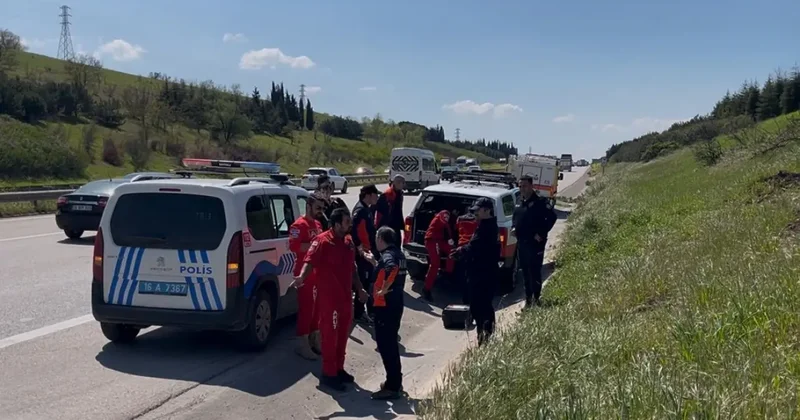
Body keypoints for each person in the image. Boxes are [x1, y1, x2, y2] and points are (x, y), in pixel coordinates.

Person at [294, 208, 368, 391]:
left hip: (345, 299)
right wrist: (302, 277)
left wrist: (360, 289)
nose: (349, 225)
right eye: (346, 222)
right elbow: (309, 262)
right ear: (336, 225)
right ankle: (328, 374)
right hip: (329, 300)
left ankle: (339, 369)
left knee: (343, 336)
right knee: (329, 337)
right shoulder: (322, 241)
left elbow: (353, 269)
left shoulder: (348, 242)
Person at [451, 197, 500, 346]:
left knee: (481, 308)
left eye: (478, 210)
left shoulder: (487, 228)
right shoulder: (484, 225)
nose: (475, 214)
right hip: (482, 273)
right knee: (482, 307)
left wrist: (460, 251)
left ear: (487, 210)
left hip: (483, 275)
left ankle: (485, 340)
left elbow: (475, 248)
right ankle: (485, 338)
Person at [370, 226, 407, 400]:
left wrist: (384, 289)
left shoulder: (388, 256)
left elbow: (391, 269)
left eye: (376, 238)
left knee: (386, 345)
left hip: (386, 305)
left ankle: (392, 387)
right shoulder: (398, 253)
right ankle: (395, 382)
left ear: (380, 239)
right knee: (391, 343)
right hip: (396, 302)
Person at [289, 194, 325, 360]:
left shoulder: (318, 224)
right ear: (308, 206)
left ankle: (314, 337)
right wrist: (315, 245)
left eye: (322, 208)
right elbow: (294, 246)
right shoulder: (298, 225)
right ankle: (301, 342)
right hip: (304, 272)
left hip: (318, 271)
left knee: (317, 307)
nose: (320, 211)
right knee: (307, 308)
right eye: (318, 207)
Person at [512, 174, 557, 308]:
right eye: (520, 186)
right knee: (525, 273)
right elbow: (516, 217)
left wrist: (541, 234)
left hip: (535, 244)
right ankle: (528, 300)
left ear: (532, 186)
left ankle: (536, 300)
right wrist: (514, 228)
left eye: (525, 186)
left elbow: (552, 218)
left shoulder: (540, 203)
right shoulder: (519, 201)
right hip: (522, 243)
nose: (522, 189)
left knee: (534, 273)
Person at [351, 184, 381, 324]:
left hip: (368, 252)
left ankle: (364, 310)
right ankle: (359, 313)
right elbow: (355, 233)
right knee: (362, 283)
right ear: (368, 195)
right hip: (363, 255)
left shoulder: (367, 209)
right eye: (375, 195)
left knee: (369, 282)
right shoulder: (360, 211)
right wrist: (363, 250)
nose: (377, 197)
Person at [422, 209, 456, 302]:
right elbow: (445, 223)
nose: (447, 218)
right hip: (432, 240)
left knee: (452, 251)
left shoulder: (444, 217)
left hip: (439, 240)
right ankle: (426, 289)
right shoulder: (442, 216)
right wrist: (450, 238)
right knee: (435, 264)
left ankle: (447, 273)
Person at [455, 207, 479, 303]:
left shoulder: (459, 219)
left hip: (461, 248)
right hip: (470, 248)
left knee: (462, 273)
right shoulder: (476, 220)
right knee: (471, 275)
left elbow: (456, 228)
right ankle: (470, 298)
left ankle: (464, 296)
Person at [375, 175, 406, 246]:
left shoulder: (400, 194)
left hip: (396, 225)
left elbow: (399, 211)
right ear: (397, 183)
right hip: (387, 225)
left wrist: (402, 225)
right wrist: (378, 227)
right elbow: (378, 211)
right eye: (402, 183)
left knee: (397, 244)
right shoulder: (387, 194)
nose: (404, 185)